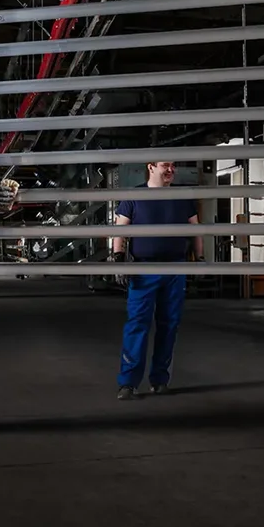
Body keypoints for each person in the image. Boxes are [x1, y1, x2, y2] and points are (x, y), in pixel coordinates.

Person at [108, 158, 200, 400]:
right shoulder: (134, 196)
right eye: (165, 165)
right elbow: (121, 228)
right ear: (151, 167)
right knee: (138, 323)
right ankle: (128, 383)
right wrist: (118, 257)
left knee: (169, 325)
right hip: (143, 269)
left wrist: (199, 259)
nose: (170, 170)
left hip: (175, 269)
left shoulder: (182, 197)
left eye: (172, 166)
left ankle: (160, 380)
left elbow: (196, 228)